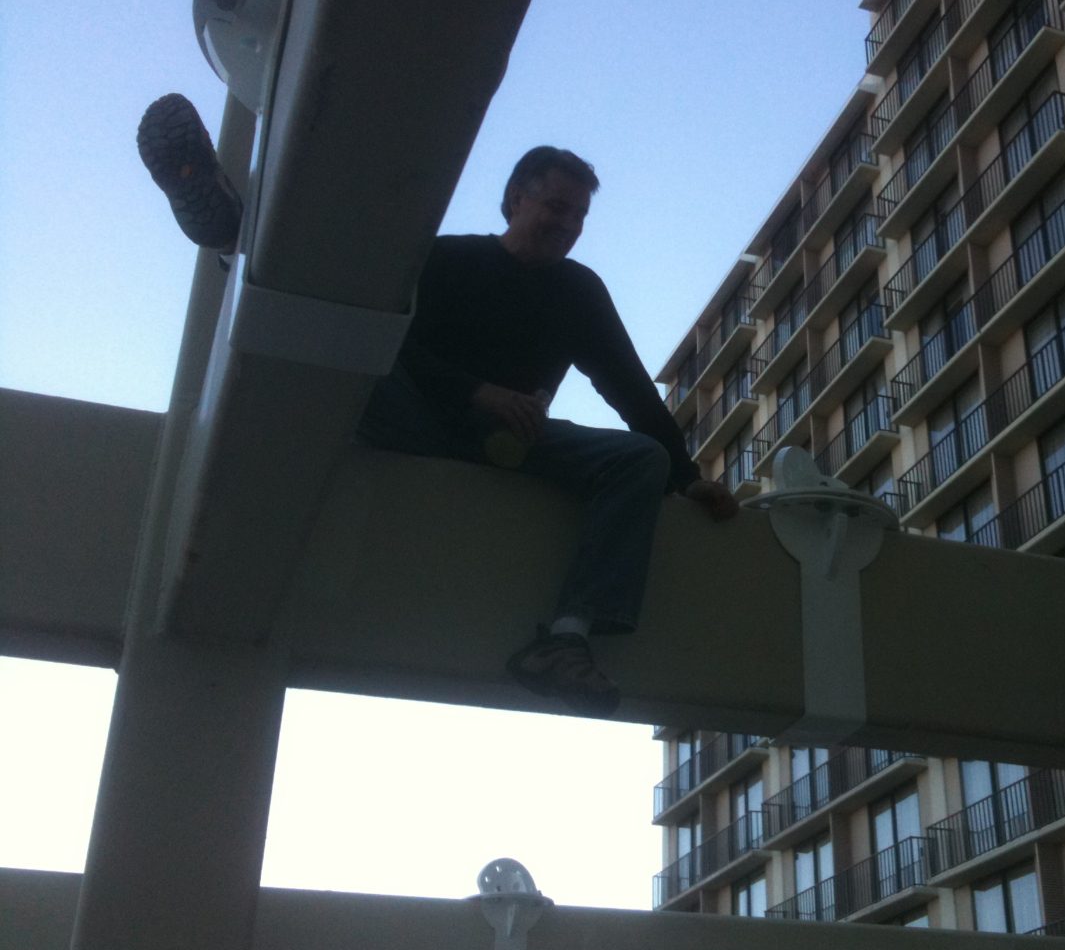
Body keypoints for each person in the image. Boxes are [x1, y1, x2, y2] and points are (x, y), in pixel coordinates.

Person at [138, 96, 739, 718]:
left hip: (508, 447)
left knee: (637, 458)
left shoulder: (579, 292)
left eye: (580, 216)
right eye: (556, 207)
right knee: (358, 335)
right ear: (514, 201)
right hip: (412, 418)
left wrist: (686, 477)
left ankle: (566, 642)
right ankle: (242, 237)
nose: (568, 225)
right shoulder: (446, 258)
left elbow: (630, 387)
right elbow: (392, 344)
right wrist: (475, 392)